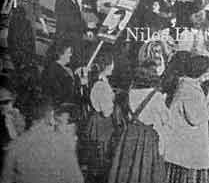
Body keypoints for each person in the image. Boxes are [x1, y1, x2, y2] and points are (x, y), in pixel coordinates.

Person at [0, 96, 84, 183]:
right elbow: (77, 180)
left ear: (23, 116)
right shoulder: (62, 144)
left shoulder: (14, 147)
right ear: (50, 115)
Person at [108, 61, 167, 183]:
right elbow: (166, 119)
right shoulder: (157, 96)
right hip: (147, 136)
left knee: (126, 167)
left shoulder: (130, 93)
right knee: (145, 170)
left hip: (129, 134)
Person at [165, 55, 209, 183]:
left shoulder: (187, 85)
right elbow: (196, 118)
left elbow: (196, 109)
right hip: (188, 148)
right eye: (208, 70)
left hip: (185, 145)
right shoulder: (190, 90)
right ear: (201, 71)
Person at [85, 51, 119, 183]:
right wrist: (114, 103)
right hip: (102, 125)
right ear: (108, 65)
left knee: (98, 158)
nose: (114, 67)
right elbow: (107, 112)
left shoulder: (100, 82)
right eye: (112, 64)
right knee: (101, 159)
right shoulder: (102, 86)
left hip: (97, 122)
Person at [54, 0, 89, 67]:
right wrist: (84, 28)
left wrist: (86, 29)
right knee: (73, 62)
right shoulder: (62, 1)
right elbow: (70, 22)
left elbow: (78, 16)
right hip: (68, 38)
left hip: (75, 35)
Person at [41, 41, 85, 107]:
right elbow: (60, 93)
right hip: (61, 108)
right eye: (69, 52)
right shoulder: (52, 70)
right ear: (61, 53)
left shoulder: (67, 68)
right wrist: (79, 82)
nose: (71, 55)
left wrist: (77, 77)